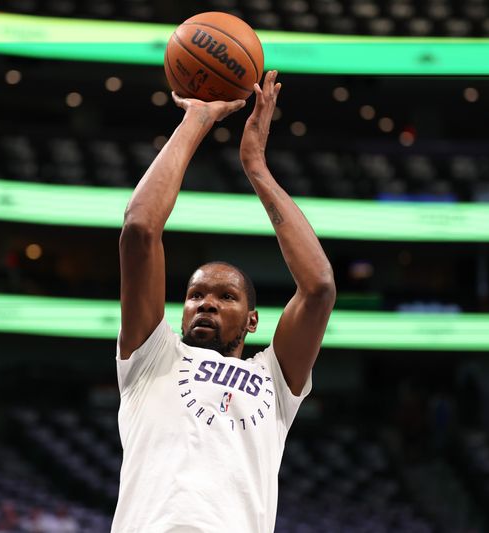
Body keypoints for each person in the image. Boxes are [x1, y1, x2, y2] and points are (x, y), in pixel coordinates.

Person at [114, 70, 336, 532]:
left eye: (225, 296)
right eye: (195, 295)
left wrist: (256, 166)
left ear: (253, 320)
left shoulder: (274, 378)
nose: (206, 303)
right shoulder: (153, 356)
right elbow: (139, 228)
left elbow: (318, 287)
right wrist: (196, 119)